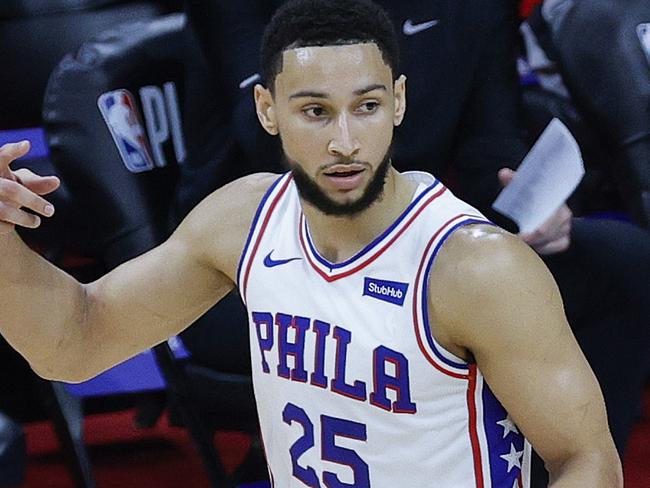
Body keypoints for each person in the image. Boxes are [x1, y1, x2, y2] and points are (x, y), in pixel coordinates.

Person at [0, 0, 622, 485]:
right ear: (267, 110)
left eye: (367, 106)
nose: (345, 141)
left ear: (399, 103)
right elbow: (71, 344)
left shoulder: (477, 269)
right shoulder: (242, 218)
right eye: (316, 112)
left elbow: (588, 460)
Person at [178, 2, 650, 485]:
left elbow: (490, 151)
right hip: (254, 261)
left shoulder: (473, 10)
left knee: (622, 260)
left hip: (411, 243)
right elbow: (284, 151)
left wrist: (531, 202)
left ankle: (545, 463)